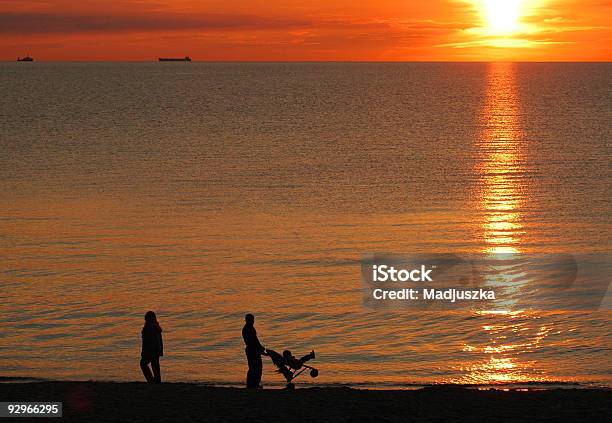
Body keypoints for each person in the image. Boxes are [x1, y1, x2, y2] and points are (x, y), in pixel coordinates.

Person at [242, 313, 266, 388]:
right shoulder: (249, 328)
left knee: (253, 367)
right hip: (252, 349)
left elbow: (254, 340)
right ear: (248, 320)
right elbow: (254, 340)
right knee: (257, 367)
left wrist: (260, 347)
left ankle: (251, 384)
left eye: (253, 319)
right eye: (252, 319)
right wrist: (260, 347)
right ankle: (254, 384)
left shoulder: (247, 328)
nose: (253, 321)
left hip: (251, 349)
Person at [140, 311, 163, 383]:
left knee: (144, 364)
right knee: (155, 366)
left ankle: (151, 381)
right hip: (155, 350)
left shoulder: (151, 328)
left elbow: (148, 341)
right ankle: (155, 381)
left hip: (151, 350)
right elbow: (158, 340)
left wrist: (144, 352)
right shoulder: (155, 327)